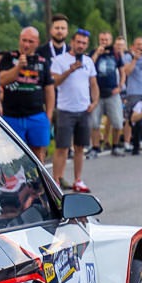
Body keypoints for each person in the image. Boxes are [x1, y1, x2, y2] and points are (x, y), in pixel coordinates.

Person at [51, 28, 98, 192]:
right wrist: (70, 70)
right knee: (62, 147)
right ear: (72, 42)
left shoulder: (89, 61)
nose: (80, 45)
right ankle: (56, 180)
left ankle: (78, 179)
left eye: (84, 43)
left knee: (80, 147)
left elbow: (93, 84)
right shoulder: (59, 60)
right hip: (65, 110)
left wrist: (95, 101)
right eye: (78, 42)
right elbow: (54, 82)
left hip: (84, 109)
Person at [0, 25, 53, 159]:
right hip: (12, 115)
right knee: (13, 155)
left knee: (38, 153)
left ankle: (39, 173)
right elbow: (2, 80)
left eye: (30, 41)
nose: (26, 45)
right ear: (19, 40)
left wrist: (49, 116)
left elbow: (49, 90)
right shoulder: (9, 58)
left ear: (37, 43)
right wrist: (18, 67)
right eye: (24, 40)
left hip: (36, 115)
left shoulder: (43, 62)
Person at [92, 33, 124, 155]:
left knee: (117, 122)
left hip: (112, 92)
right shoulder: (94, 52)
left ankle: (115, 146)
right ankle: (95, 147)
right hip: (97, 93)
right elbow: (89, 65)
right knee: (94, 123)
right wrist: (97, 53)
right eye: (102, 39)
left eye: (106, 40)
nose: (104, 42)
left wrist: (120, 86)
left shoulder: (115, 54)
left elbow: (122, 72)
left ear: (110, 41)